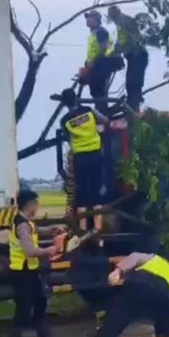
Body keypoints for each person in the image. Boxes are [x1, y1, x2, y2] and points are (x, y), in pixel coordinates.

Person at [7, 189, 66, 337]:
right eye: (36, 203)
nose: (38, 207)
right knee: (23, 310)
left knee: (40, 303)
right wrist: (49, 250)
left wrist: (51, 229)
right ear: (30, 204)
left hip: (29, 271)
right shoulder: (22, 225)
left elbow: (35, 232)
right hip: (22, 272)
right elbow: (30, 251)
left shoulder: (25, 222)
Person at [60, 89, 109, 233]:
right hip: (95, 155)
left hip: (80, 158)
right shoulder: (89, 111)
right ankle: (97, 226)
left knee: (81, 190)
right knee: (96, 188)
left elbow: (68, 138)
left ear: (64, 103)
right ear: (76, 98)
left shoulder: (64, 121)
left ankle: (82, 227)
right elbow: (105, 121)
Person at [78, 10, 120, 116]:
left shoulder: (101, 32)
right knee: (96, 93)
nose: (87, 19)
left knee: (99, 93)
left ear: (96, 20)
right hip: (96, 66)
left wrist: (93, 62)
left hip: (101, 66)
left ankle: (102, 115)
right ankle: (101, 113)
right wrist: (88, 63)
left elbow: (103, 49)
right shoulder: (93, 33)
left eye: (90, 17)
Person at [108, 6, 148, 112]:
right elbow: (121, 40)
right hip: (133, 55)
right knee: (131, 83)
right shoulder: (119, 24)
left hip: (137, 54)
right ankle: (133, 104)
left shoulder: (125, 21)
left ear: (117, 13)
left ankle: (134, 106)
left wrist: (118, 51)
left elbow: (130, 40)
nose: (112, 19)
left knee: (133, 82)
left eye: (112, 16)